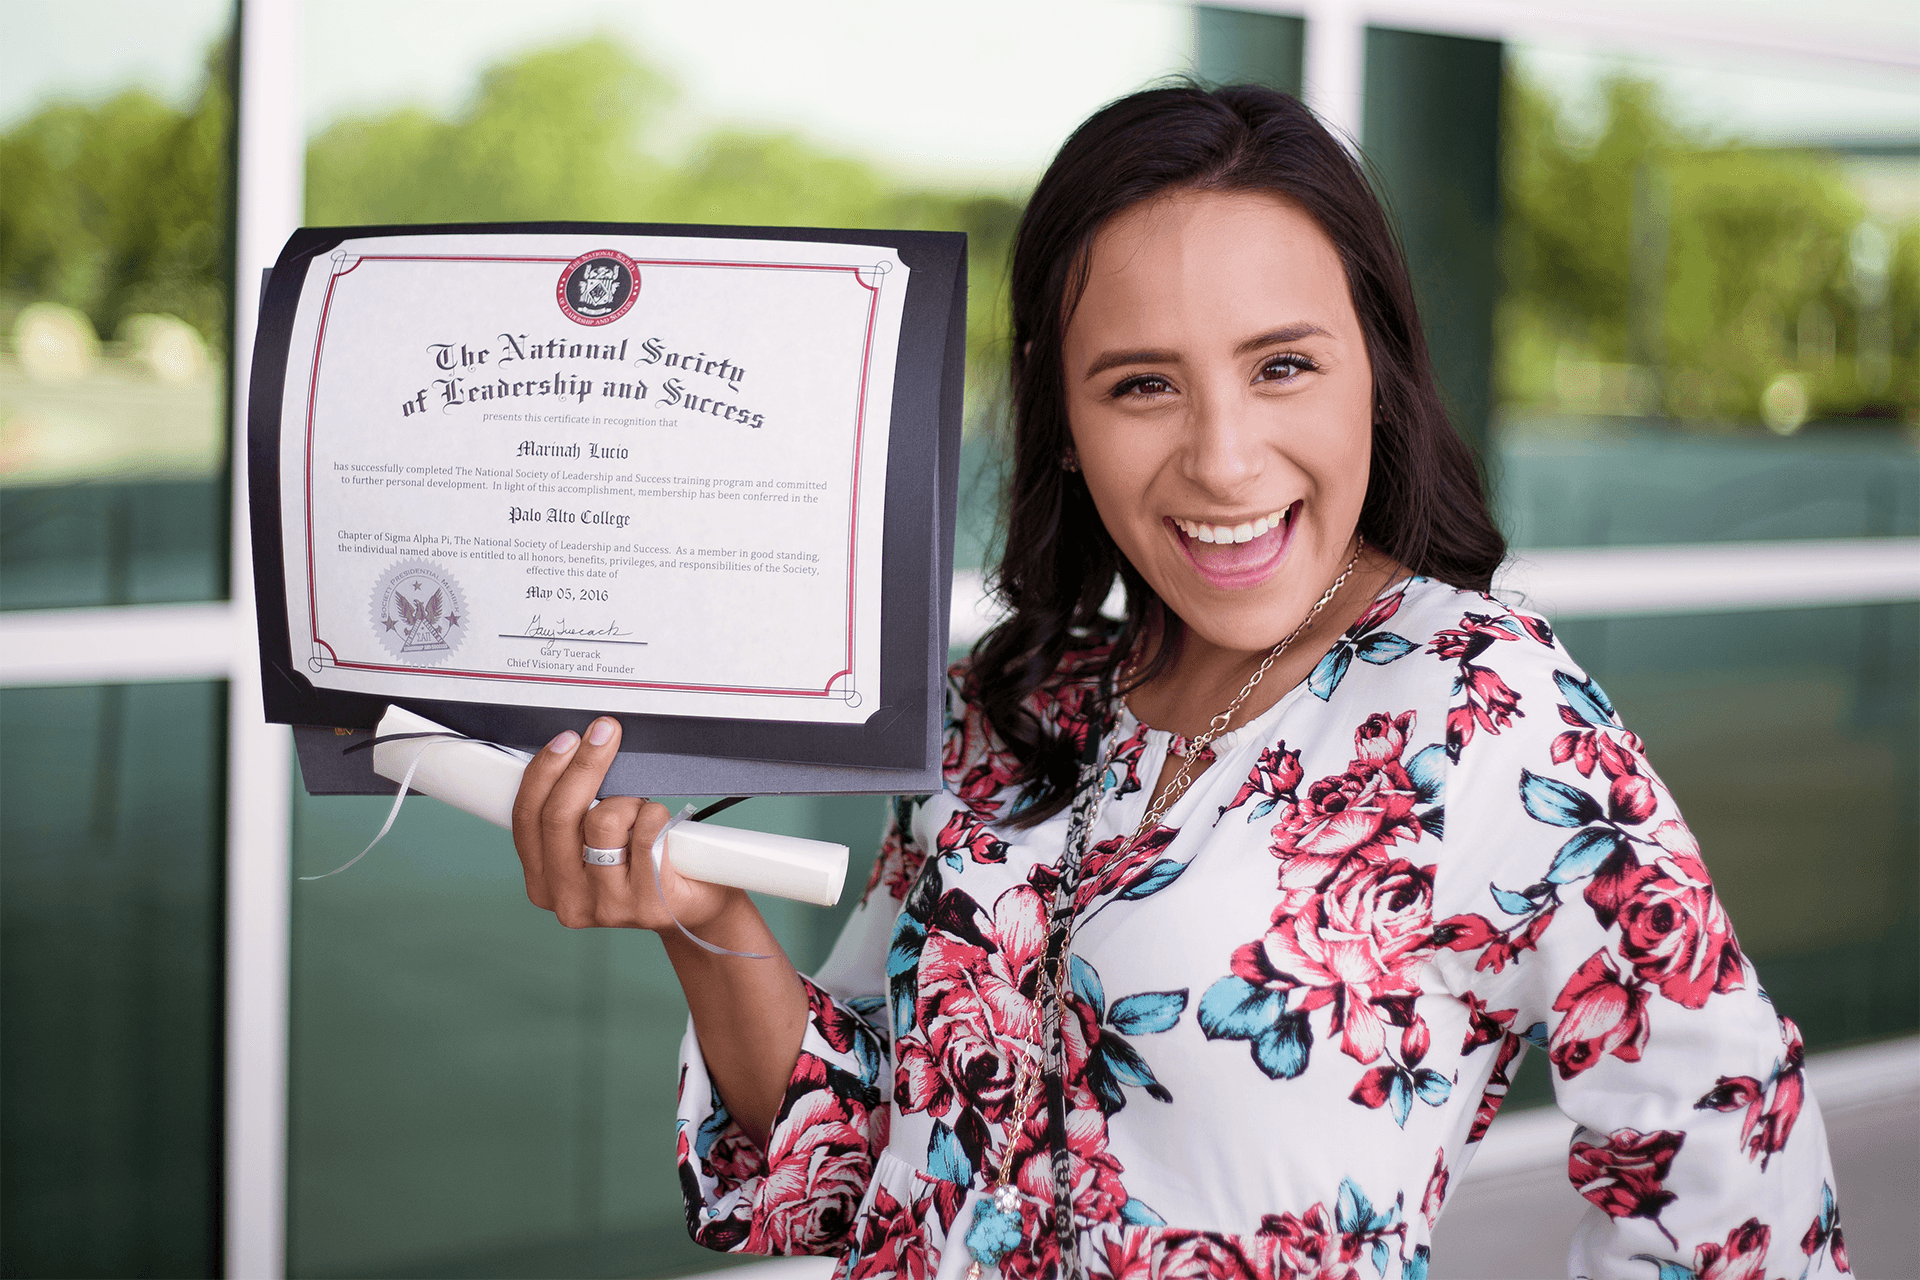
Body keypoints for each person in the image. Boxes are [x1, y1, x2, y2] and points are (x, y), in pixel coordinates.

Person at [511, 85, 1848, 1280]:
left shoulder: (1484, 708)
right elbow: (844, 1167)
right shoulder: (1012, 700)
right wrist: (700, 913)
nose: (1221, 459)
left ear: (1373, 367)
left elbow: (1739, 1187)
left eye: (1281, 366)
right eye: (1143, 384)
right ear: (1064, 412)